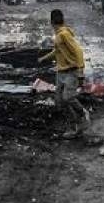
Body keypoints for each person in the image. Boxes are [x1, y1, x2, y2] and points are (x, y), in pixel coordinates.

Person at [38, 9, 89, 139]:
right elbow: (57, 51)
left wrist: (81, 71)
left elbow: (78, 52)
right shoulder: (59, 35)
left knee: (68, 98)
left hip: (71, 71)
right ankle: (73, 126)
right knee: (59, 102)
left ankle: (82, 114)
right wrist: (44, 58)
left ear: (51, 22)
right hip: (60, 72)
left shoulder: (64, 34)